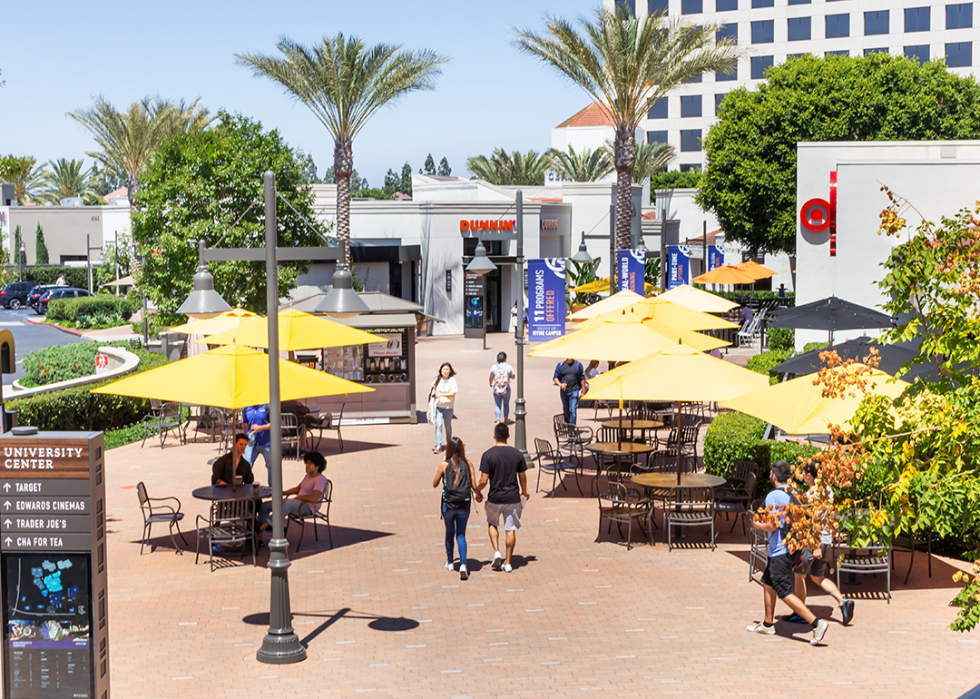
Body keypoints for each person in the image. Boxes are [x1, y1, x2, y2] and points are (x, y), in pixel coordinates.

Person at [747, 461, 830, 645]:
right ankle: (768, 624)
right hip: (792, 549)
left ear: (774, 477)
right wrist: (799, 552)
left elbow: (773, 525)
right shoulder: (797, 494)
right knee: (768, 581)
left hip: (780, 551)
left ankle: (816, 623)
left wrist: (755, 524)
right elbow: (802, 525)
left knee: (784, 591)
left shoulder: (773, 497)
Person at [787, 461, 855, 626]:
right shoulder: (828, 490)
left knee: (799, 574)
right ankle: (842, 601)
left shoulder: (812, 495)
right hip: (826, 539)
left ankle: (800, 612)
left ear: (809, 474)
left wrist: (815, 545)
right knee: (818, 577)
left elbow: (815, 519)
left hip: (814, 541)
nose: (802, 474)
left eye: (803, 472)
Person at [474, 422, 529, 573]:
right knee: (510, 529)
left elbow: (484, 480)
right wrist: (524, 491)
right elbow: (522, 476)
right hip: (512, 497)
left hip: (494, 497)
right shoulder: (517, 454)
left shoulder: (488, 455)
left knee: (492, 523)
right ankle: (508, 562)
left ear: (494, 436)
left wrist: (477, 491)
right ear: (508, 436)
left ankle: (496, 551)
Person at [432, 436, 482, 580]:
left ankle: (450, 562)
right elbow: (474, 485)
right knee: (461, 534)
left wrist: (442, 467)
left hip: (449, 505)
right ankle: (463, 564)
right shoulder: (468, 464)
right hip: (464, 504)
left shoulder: (444, 465)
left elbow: (434, 484)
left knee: (449, 532)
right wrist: (479, 495)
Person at [257, 451, 327, 532]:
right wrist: (282, 493)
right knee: (265, 506)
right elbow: (297, 489)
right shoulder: (308, 475)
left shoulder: (320, 479)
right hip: (297, 502)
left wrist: (299, 499)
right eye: (306, 463)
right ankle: (258, 534)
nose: (307, 466)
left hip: (307, 507)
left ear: (317, 466)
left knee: (288, 504)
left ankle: (263, 526)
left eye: (310, 464)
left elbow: (314, 498)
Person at [430, 362, 457, 454]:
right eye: (443, 369)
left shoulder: (452, 380)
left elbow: (453, 393)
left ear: (450, 371)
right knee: (439, 425)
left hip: (448, 407)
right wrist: (434, 393)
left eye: (447, 369)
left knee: (448, 426)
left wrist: (440, 395)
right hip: (439, 407)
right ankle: (438, 445)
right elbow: (433, 387)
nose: (445, 371)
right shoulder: (437, 379)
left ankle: (449, 443)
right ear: (440, 370)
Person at [553, 358, 587, 424]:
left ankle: (572, 428)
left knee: (573, 410)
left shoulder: (578, 365)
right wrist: (560, 384)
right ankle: (568, 424)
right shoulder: (561, 365)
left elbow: (582, 378)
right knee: (566, 410)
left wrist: (584, 391)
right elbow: (555, 378)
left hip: (574, 390)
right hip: (564, 392)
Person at [243, 403, 272, 478]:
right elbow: (245, 425)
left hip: (266, 441)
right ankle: (244, 486)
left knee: (271, 466)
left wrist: (260, 428)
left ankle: (272, 487)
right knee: (246, 465)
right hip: (251, 440)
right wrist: (244, 439)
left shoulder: (266, 406)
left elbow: (274, 424)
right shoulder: (246, 408)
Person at [488, 352, 516, 425]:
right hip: (506, 388)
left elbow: (490, 377)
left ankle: (498, 420)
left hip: (496, 388)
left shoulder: (494, 367)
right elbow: (513, 376)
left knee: (497, 404)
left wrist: (490, 383)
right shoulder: (508, 367)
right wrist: (508, 377)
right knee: (506, 404)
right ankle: (506, 418)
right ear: (505, 358)